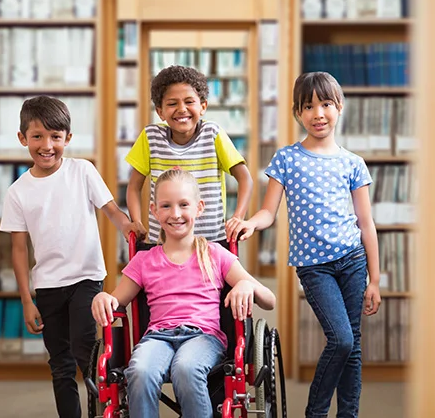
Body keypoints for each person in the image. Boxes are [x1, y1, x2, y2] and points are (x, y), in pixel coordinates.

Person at [228, 72, 382, 418]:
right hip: (315, 268)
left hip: (354, 261)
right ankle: (315, 413)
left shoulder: (353, 163)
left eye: (326, 104)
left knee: (353, 347)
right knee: (341, 340)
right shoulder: (286, 159)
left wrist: (374, 279)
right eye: (309, 106)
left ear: (339, 107)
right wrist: (251, 223)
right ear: (298, 113)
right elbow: (269, 211)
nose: (318, 113)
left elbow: (366, 223)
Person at [0, 96, 144, 418]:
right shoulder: (17, 192)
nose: (47, 145)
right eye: (37, 136)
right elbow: (19, 250)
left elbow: (111, 210)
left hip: (87, 276)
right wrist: (26, 299)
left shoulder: (82, 171)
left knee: (84, 349)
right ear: (23, 139)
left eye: (55, 136)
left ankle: (105, 407)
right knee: (60, 363)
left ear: (68, 139)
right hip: (48, 286)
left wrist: (127, 226)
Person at [92, 168, 276, 418]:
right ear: (155, 211)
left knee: (187, 368)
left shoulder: (215, 254)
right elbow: (117, 301)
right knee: (139, 371)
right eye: (166, 206)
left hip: (203, 337)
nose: (175, 214)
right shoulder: (144, 260)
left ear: (199, 208)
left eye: (183, 205)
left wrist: (246, 285)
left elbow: (269, 300)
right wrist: (104, 297)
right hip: (157, 337)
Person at [125, 65, 253, 248]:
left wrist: (238, 217)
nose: (181, 109)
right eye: (172, 103)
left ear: (203, 107)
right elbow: (133, 187)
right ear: (160, 111)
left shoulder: (213, 134)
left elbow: (245, 179)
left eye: (189, 101)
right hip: (163, 244)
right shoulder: (150, 137)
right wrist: (136, 221)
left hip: (210, 243)